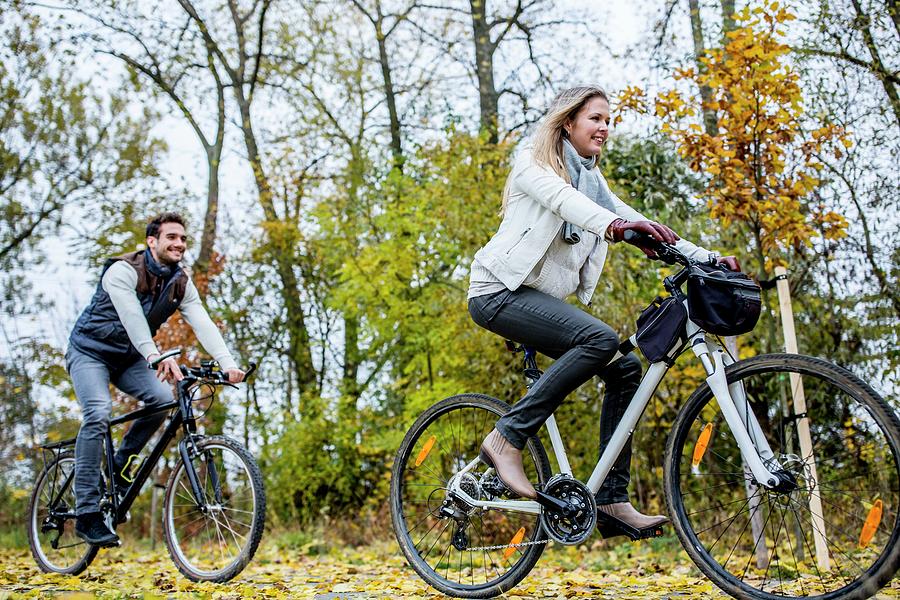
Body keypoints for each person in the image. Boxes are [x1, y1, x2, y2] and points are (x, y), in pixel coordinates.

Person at [468, 85, 740, 533]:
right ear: (568, 122)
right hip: (496, 292)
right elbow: (566, 203)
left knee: (625, 368)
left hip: (536, 299)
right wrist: (615, 226)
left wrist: (705, 257)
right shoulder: (532, 165)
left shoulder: (591, 180)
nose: (605, 128)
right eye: (596, 118)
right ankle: (506, 437)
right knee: (598, 339)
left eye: (608, 120)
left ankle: (611, 501)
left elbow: (627, 214)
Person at [67, 212, 245, 547]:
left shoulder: (180, 282)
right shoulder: (122, 270)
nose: (179, 244)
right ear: (152, 241)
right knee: (98, 413)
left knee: (164, 399)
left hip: (130, 357)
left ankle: (119, 466)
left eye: (183, 239)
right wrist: (155, 355)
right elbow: (132, 317)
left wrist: (227, 363)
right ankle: (87, 512)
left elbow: (202, 321)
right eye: (171, 237)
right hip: (90, 352)